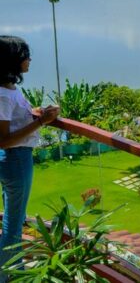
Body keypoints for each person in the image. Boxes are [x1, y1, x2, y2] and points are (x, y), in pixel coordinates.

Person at [0, 36, 60, 279]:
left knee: (13, 220)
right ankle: (9, 276)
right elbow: (3, 139)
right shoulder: (3, 94)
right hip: (16, 160)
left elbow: (12, 121)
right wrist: (41, 122)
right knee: (13, 226)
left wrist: (32, 114)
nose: (29, 59)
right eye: (25, 55)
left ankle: (14, 272)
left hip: (13, 159)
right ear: (12, 61)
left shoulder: (9, 90)